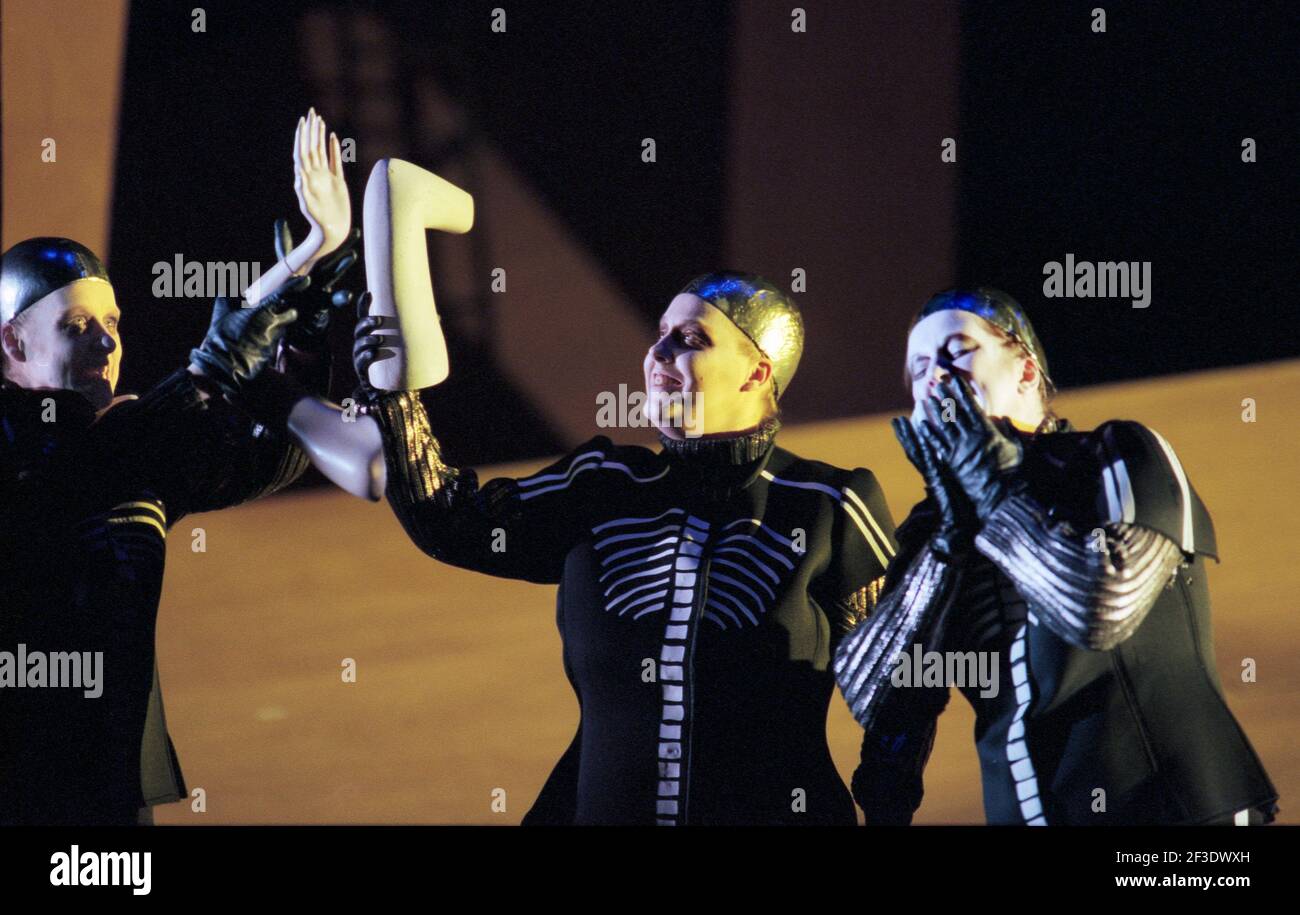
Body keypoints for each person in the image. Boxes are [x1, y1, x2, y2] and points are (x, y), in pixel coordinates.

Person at [353, 272, 900, 824]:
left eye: (690, 339)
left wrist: (887, 803)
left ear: (757, 372)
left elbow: (894, 687)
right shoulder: (602, 482)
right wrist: (393, 395)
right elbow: (450, 519)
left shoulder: (830, 503)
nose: (657, 352)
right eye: (660, 333)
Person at [0, 111, 357, 825]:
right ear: (10, 341)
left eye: (113, 323)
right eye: (75, 327)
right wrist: (225, 351)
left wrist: (305, 340)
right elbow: (69, 479)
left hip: (110, 795)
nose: (105, 343)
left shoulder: (126, 439)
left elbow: (260, 463)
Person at [833, 286, 1279, 825]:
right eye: (920, 366)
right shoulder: (935, 528)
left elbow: (1099, 607)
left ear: (1024, 371)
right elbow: (879, 698)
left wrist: (996, 491)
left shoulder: (1118, 454)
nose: (938, 375)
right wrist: (946, 549)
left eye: (959, 349)